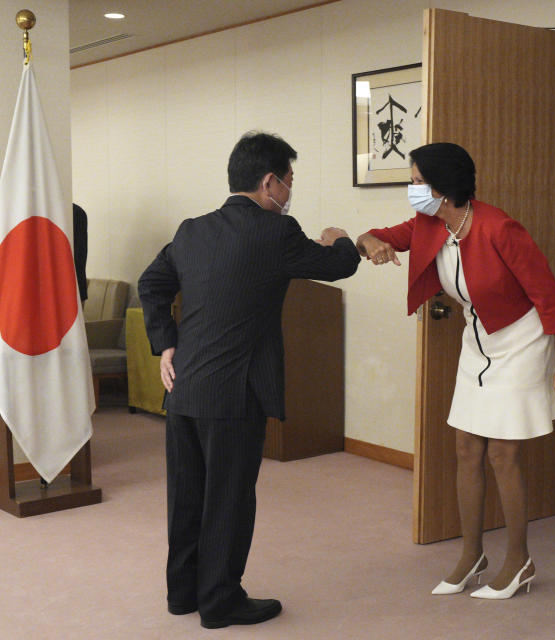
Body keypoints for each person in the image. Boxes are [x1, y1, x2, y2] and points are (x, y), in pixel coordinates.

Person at [138, 131, 360, 628]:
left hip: (183, 390)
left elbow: (151, 283)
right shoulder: (275, 232)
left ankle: (183, 594)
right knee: (230, 500)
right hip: (235, 396)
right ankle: (219, 602)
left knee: (187, 496)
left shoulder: (192, 230)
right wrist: (338, 236)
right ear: (269, 183)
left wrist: (166, 344)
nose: (289, 191)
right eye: (289, 181)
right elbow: (340, 264)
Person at [356, 142, 555, 600]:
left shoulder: (500, 228)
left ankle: (519, 560)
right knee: (465, 450)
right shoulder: (430, 224)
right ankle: (471, 555)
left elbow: (547, 292)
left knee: (502, 454)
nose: (412, 190)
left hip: (522, 339)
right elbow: (375, 235)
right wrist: (371, 243)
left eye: (417, 182)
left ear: (443, 186)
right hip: (478, 341)